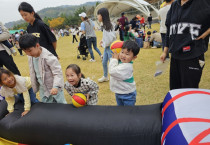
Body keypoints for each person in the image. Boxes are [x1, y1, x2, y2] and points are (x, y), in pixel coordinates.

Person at [160, 0, 210, 90]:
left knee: (189, 91)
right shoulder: (174, 5)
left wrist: (206, 32)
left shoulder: (202, 2)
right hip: (175, 55)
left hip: (192, 55)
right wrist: (165, 51)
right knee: (175, 90)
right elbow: (169, 30)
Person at [19, 34, 67, 103]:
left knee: (60, 104)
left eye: (29, 51)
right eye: (25, 51)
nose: (28, 53)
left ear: (37, 45)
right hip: (43, 88)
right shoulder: (31, 56)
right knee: (46, 106)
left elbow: (58, 73)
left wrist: (56, 86)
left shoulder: (49, 57)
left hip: (53, 87)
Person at [109, 40, 140, 106]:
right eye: (122, 52)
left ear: (134, 57)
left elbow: (112, 71)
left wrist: (114, 59)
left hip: (127, 95)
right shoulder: (123, 62)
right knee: (121, 112)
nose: (123, 55)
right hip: (119, 92)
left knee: (128, 113)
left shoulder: (126, 67)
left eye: (127, 54)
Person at [97, 8, 117, 83]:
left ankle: (114, 78)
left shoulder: (107, 26)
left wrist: (103, 44)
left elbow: (110, 39)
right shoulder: (105, 25)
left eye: (98, 15)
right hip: (107, 47)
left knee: (112, 63)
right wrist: (102, 40)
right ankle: (105, 76)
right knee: (104, 62)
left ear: (102, 16)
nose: (97, 17)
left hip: (110, 48)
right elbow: (107, 37)